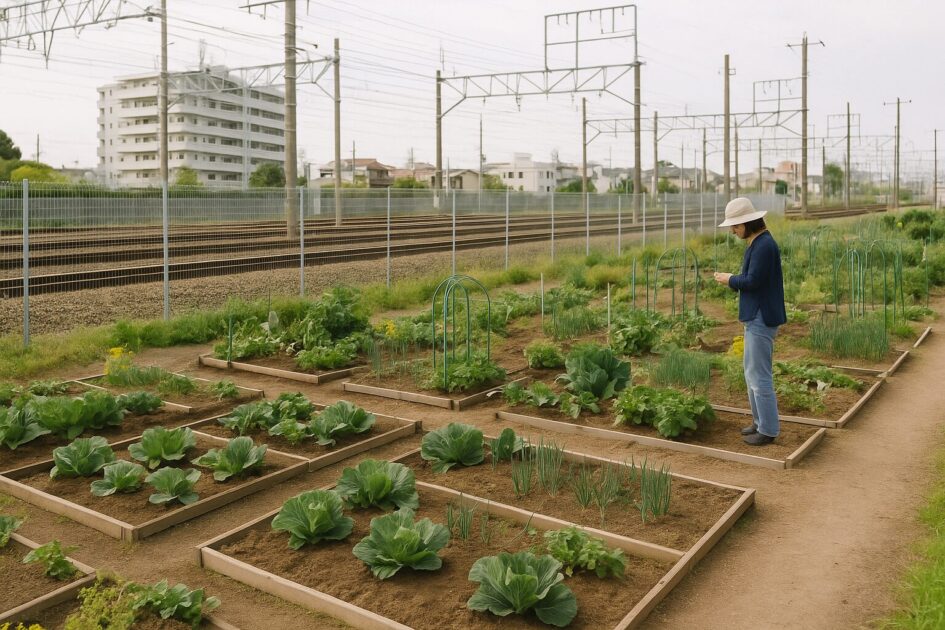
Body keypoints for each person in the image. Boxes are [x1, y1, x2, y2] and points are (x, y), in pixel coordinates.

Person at [712, 197, 787, 446]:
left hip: (761, 317)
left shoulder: (764, 246)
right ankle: (759, 422)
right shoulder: (758, 242)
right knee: (751, 373)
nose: (733, 230)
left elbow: (752, 280)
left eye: (735, 226)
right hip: (756, 315)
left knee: (760, 375)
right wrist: (734, 279)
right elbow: (754, 279)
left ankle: (768, 429)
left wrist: (729, 279)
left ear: (747, 222)